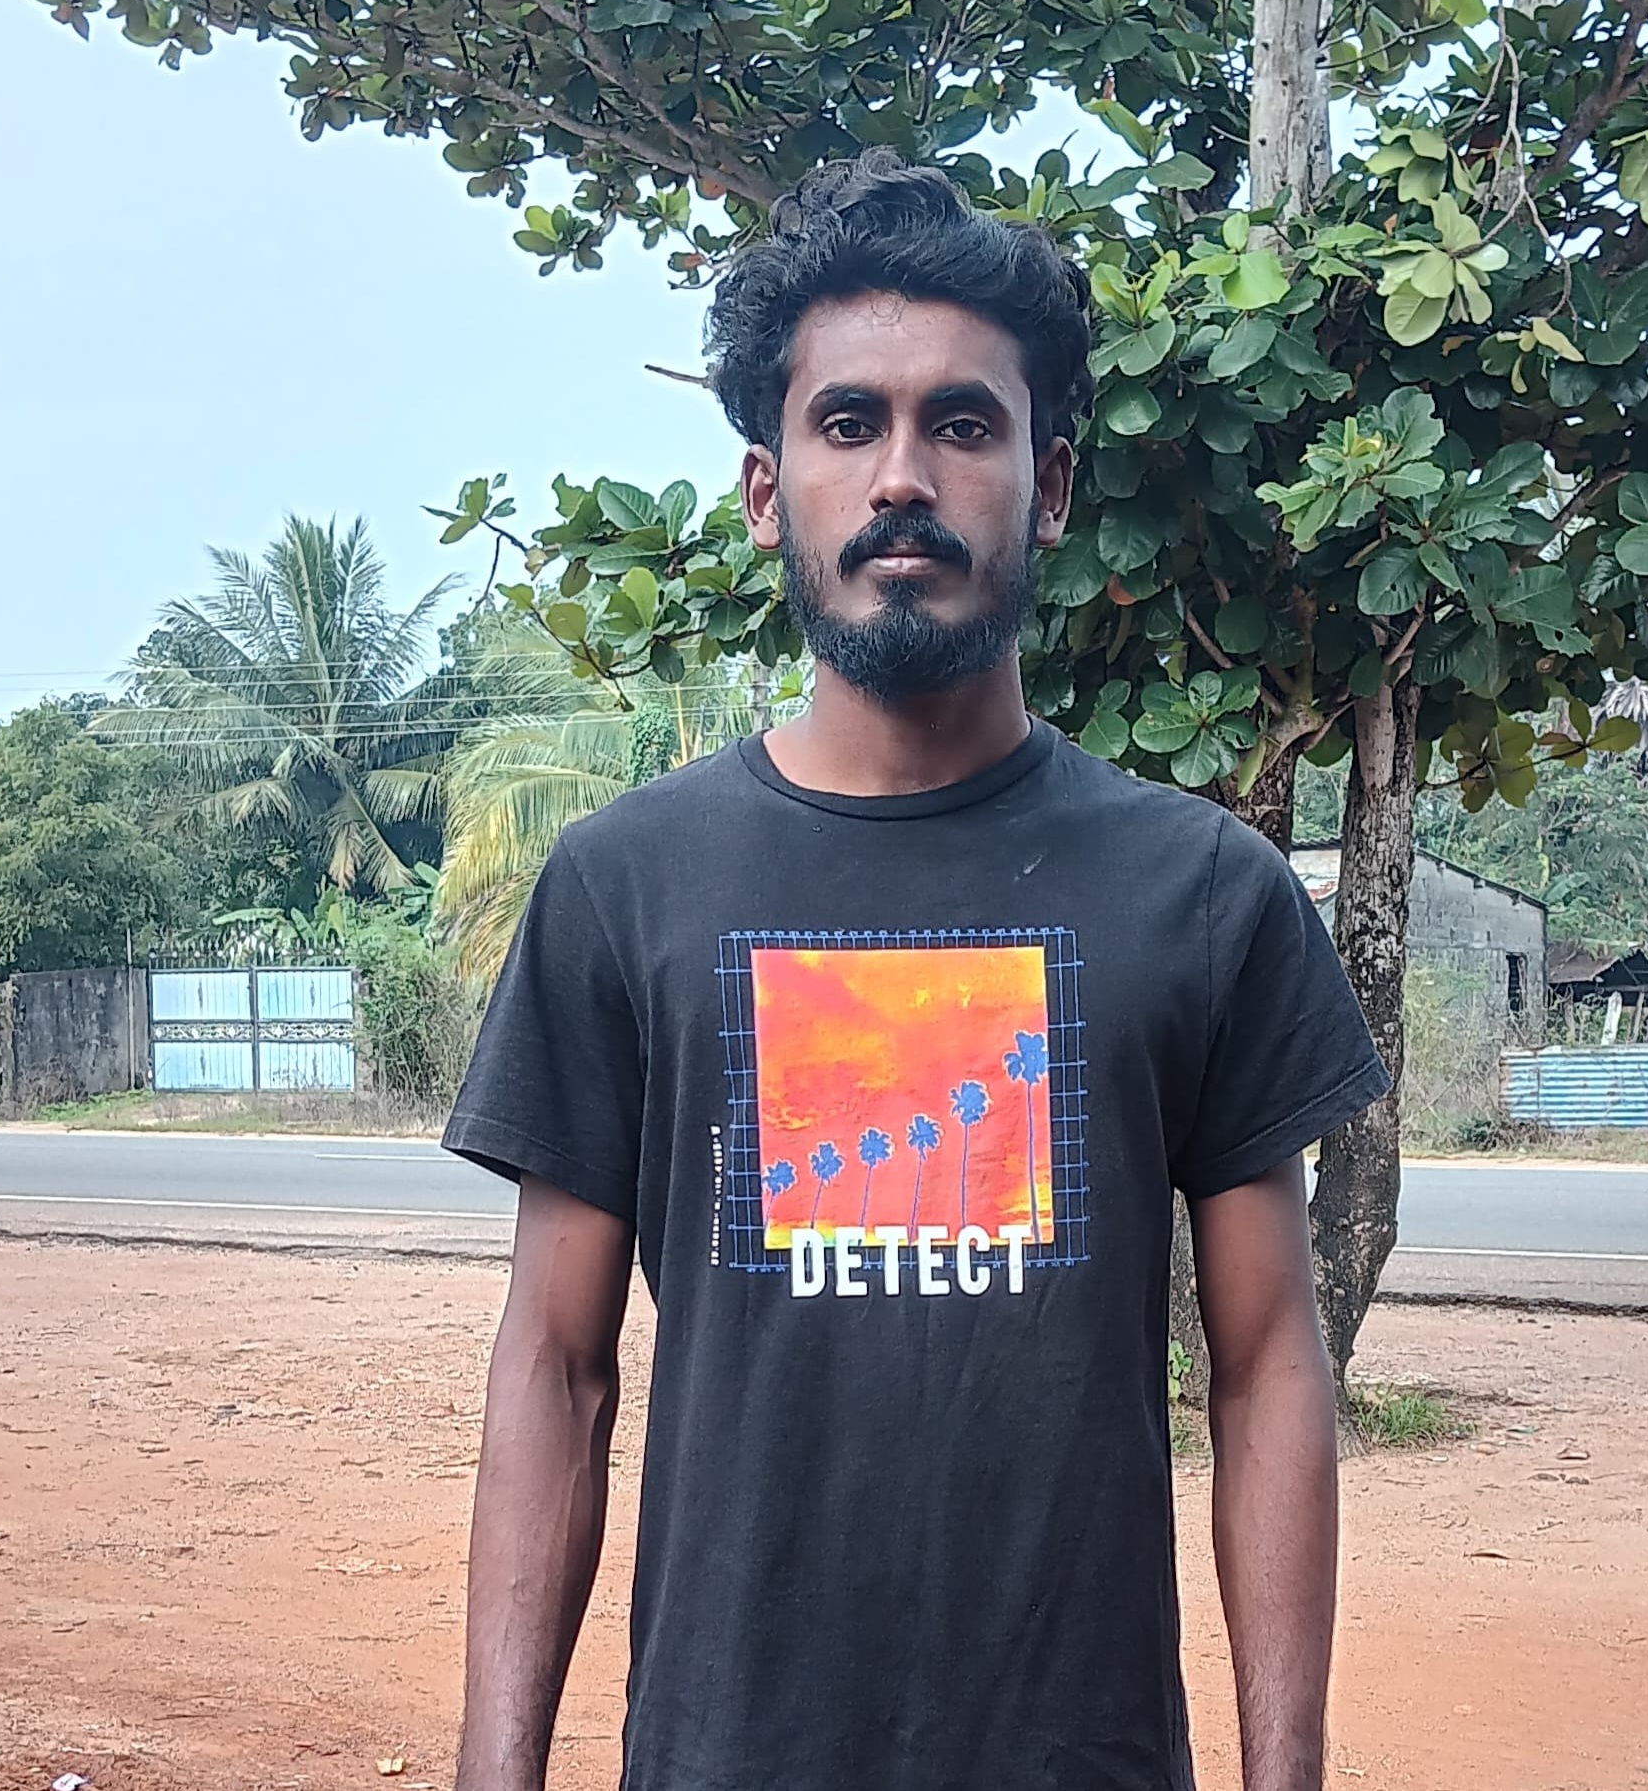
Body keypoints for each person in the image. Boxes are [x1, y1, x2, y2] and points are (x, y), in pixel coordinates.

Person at [442, 151, 1389, 1791]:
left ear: (1053, 483)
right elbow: (555, 1362)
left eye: (964, 423)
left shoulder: (1206, 893)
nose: (902, 475)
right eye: (846, 423)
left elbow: (1267, 1363)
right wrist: (493, 1767)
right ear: (766, 491)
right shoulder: (623, 886)